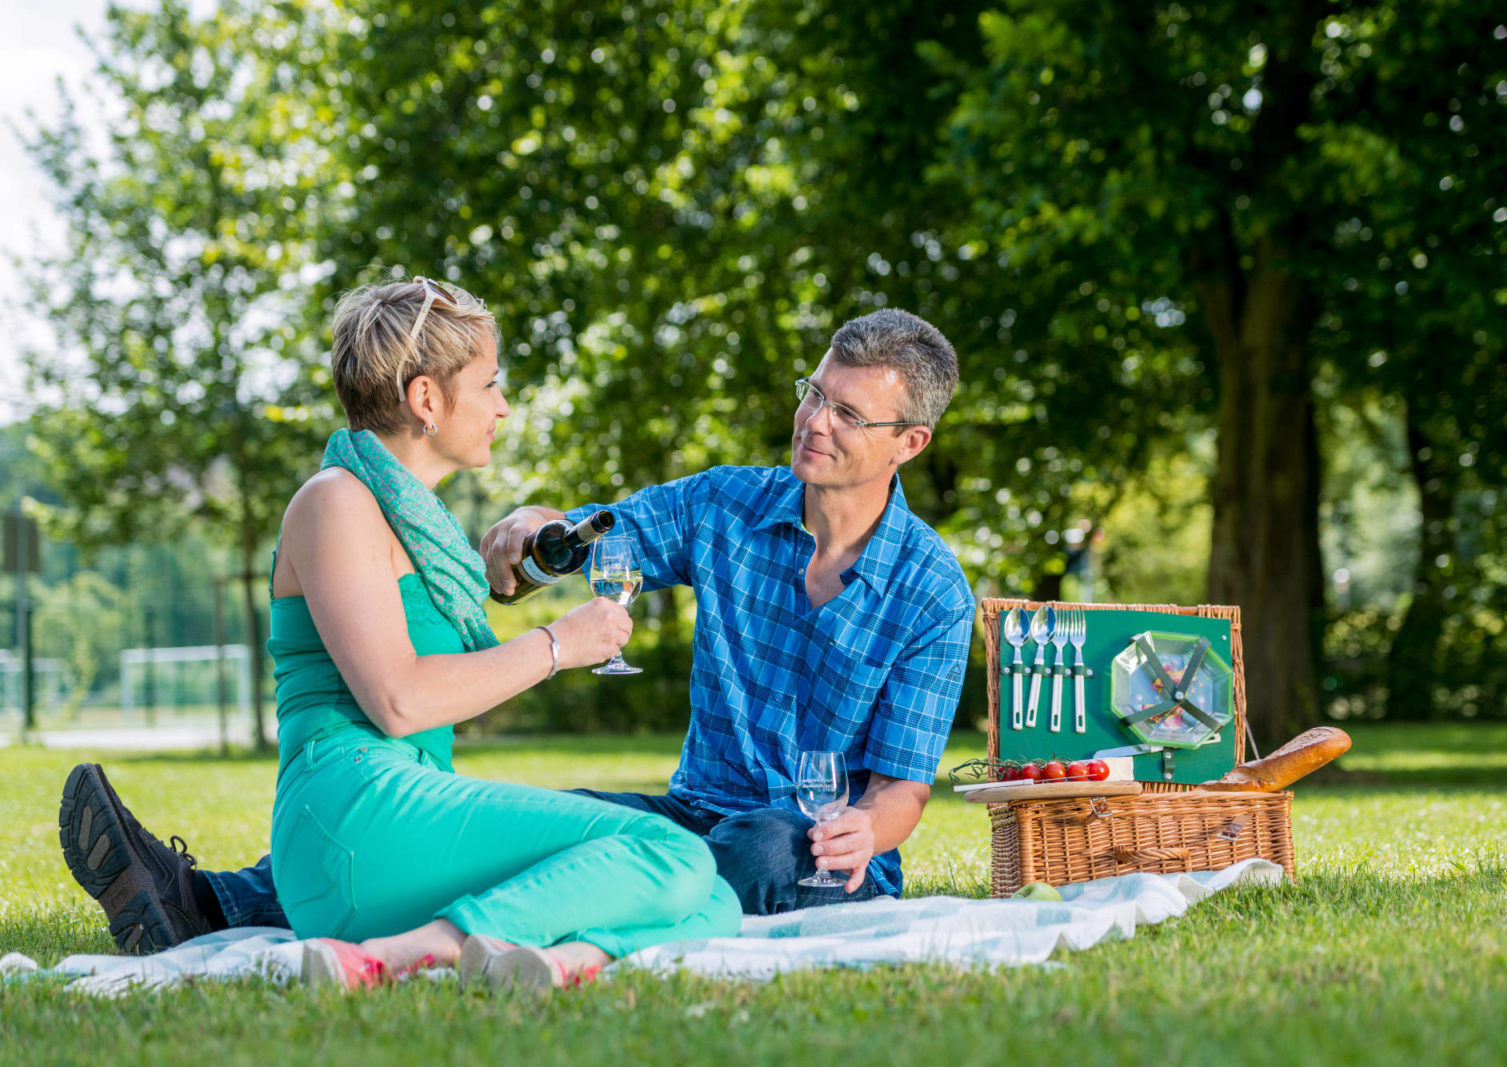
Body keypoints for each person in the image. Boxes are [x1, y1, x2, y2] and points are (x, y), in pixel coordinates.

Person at [59, 305, 975, 952]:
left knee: (761, 847)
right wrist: (536, 538)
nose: (814, 420)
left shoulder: (932, 593)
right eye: (814, 392)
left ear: (909, 442)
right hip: (693, 808)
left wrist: (864, 827)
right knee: (549, 834)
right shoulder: (731, 504)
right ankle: (208, 900)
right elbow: (603, 537)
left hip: (817, 847)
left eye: (848, 412)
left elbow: (903, 791)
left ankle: (412, 928)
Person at [56, 276, 744, 989]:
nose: (503, 406)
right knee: (672, 854)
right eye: (489, 385)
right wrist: (557, 644)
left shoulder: (426, 533)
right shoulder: (335, 503)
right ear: (426, 400)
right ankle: (419, 950)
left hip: (408, 812)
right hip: (352, 816)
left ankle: (553, 963)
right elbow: (398, 699)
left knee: (713, 889)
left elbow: (451, 665)